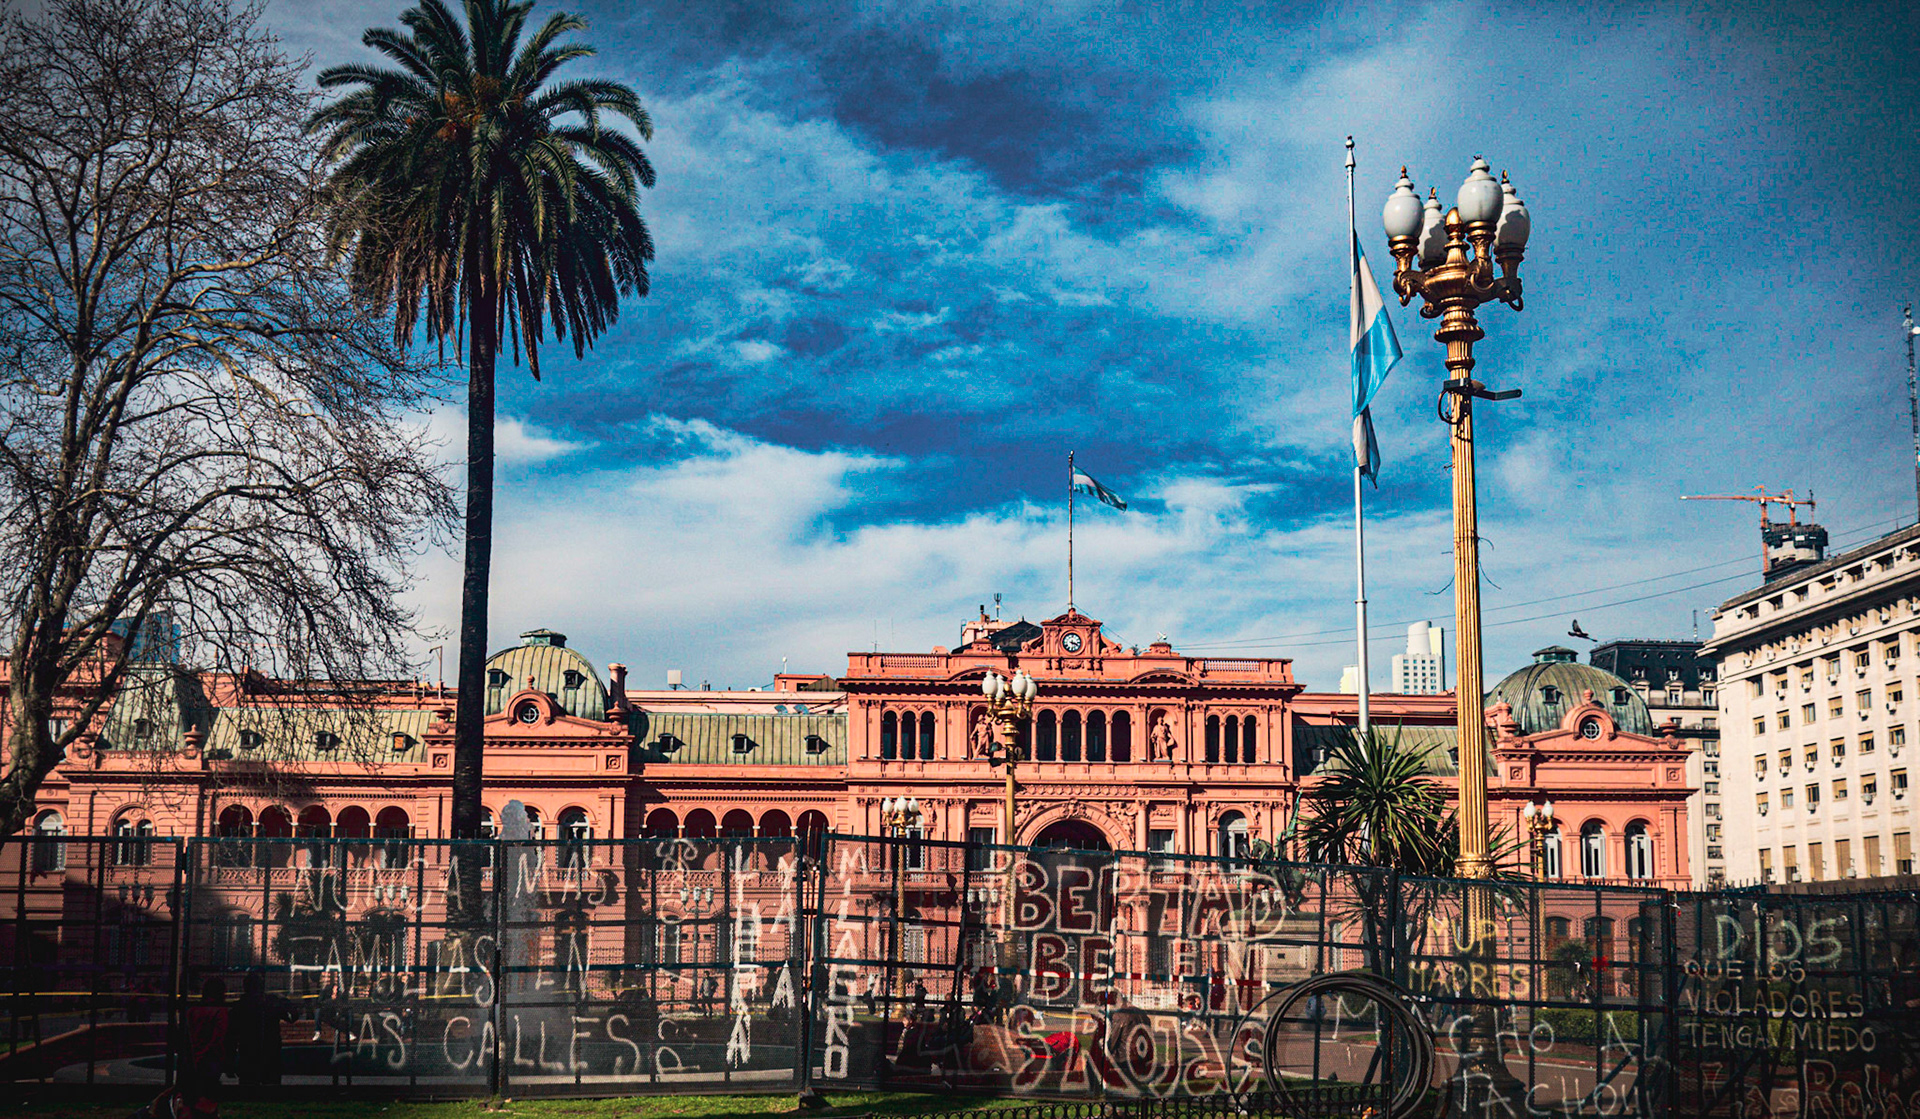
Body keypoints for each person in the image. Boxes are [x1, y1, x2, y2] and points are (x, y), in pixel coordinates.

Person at [228, 972, 295, 1086]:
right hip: (270, 1053)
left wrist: (230, 1061)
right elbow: (292, 1017)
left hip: (248, 1054)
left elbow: (231, 1036)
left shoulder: (240, 1006)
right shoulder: (270, 1003)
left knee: (249, 1088)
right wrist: (285, 1001)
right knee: (270, 1089)